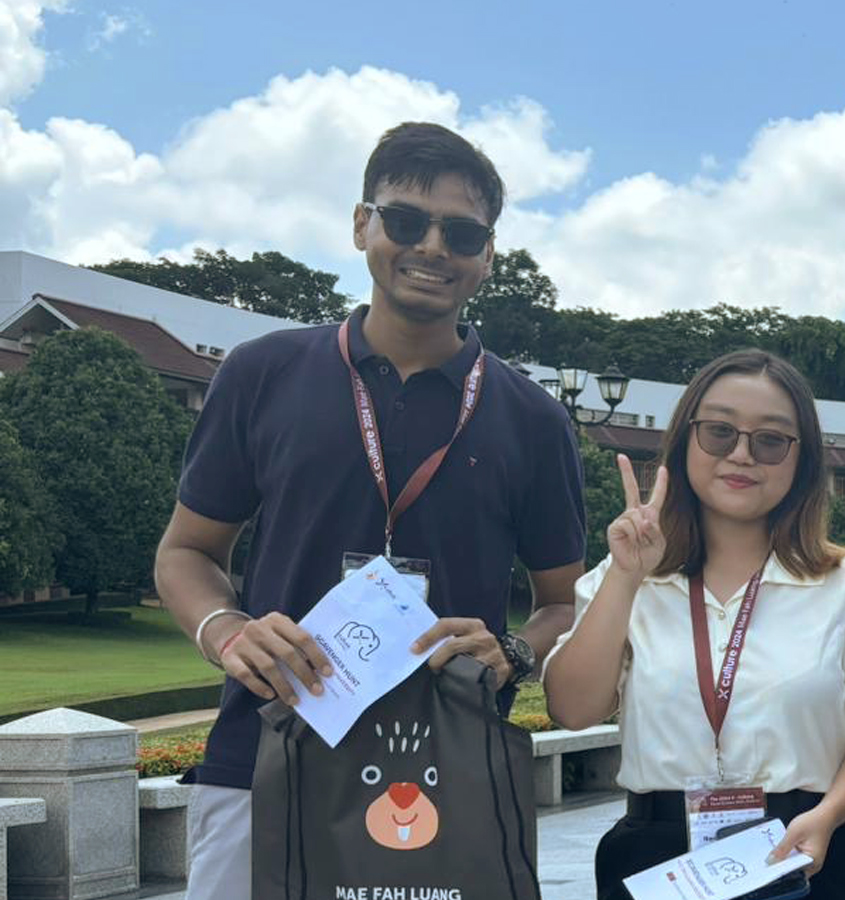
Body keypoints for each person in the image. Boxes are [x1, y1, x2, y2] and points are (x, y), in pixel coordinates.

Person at [153, 122, 587, 900]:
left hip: (443, 769)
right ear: (362, 225)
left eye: (461, 233)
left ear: (488, 254)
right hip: (265, 751)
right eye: (405, 220)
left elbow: (562, 601)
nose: (432, 247)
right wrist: (226, 632)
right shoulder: (265, 373)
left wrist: (514, 653)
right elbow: (187, 553)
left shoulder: (531, 417)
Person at [543, 350, 845, 900]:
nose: (741, 455)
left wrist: (829, 816)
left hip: (807, 848)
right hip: (656, 857)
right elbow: (572, 711)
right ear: (686, 439)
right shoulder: (625, 577)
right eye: (719, 432)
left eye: (770, 440)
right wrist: (626, 576)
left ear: (801, 459)